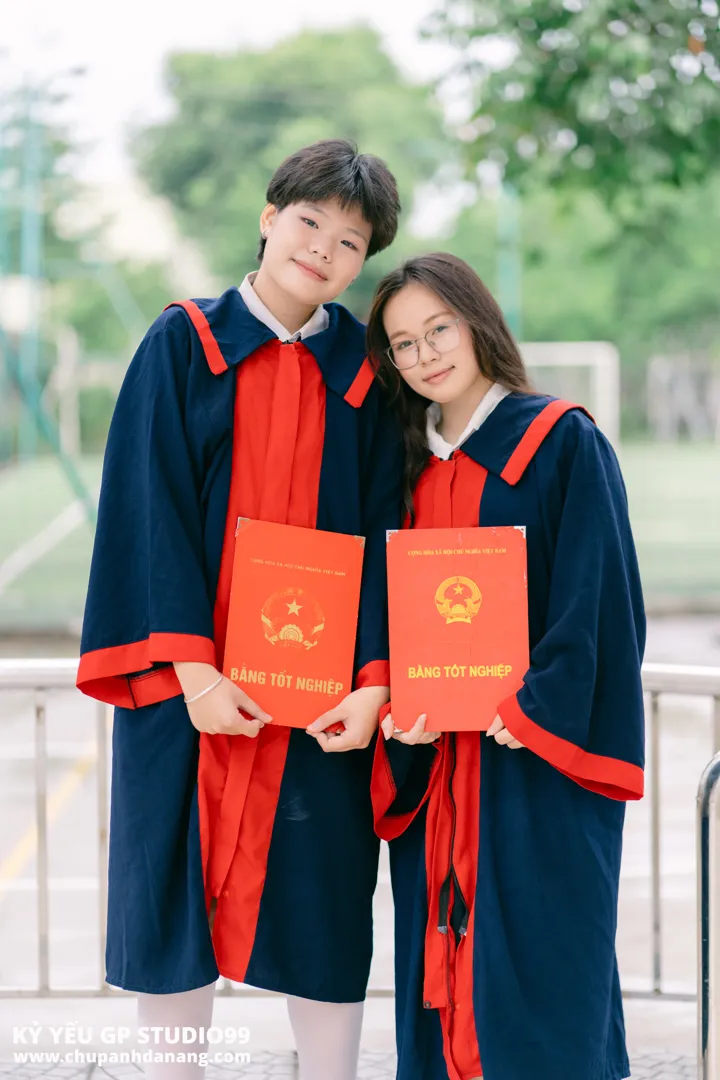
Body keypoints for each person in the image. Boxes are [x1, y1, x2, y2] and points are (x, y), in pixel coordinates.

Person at [76, 139, 404, 1080]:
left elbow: (387, 526)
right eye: (310, 222)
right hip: (189, 691)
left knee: (326, 904)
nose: (324, 249)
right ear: (269, 219)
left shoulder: (366, 373)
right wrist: (195, 673)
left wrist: (375, 682)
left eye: (350, 241)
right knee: (174, 904)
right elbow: (149, 508)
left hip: (320, 699)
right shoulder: (185, 343)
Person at [365, 252, 646, 1080]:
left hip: (534, 764)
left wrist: (536, 708)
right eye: (403, 344)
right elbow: (385, 604)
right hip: (439, 766)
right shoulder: (403, 464)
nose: (425, 355)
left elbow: (598, 596)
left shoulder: (560, 442)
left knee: (546, 960)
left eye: (438, 329)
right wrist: (395, 700)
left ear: (476, 322)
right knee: (442, 955)